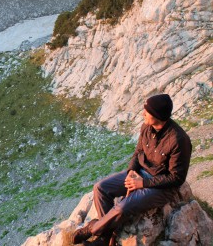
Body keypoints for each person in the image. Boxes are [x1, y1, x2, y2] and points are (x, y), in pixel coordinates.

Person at [72, 94, 192, 246]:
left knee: (122, 207)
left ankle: (93, 228)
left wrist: (142, 183)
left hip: (161, 188)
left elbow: (177, 178)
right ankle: (105, 238)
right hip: (139, 174)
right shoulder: (146, 127)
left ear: (158, 115)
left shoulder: (179, 140)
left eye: (147, 112)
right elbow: (137, 153)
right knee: (100, 188)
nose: (143, 114)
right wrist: (131, 172)